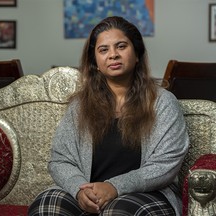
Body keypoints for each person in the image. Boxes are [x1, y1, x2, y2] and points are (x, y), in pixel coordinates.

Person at [28, 16, 189, 216]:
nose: (113, 55)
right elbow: (60, 161)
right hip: (88, 191)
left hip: (146, 193)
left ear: (137, 54)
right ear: (95, 62)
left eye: (121, 46)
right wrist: (80, 190)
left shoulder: (163, 102)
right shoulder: (80, 106)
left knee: (116, 211)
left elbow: (166, 164)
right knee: (47, 205)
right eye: (103, 50)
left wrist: (114, 187)